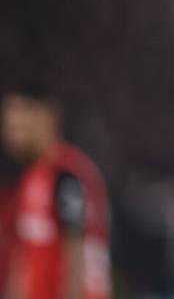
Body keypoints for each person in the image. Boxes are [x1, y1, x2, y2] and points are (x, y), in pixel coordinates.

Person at [1, 82, 111, 299]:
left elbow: (76, 257)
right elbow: (25, 259)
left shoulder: (68, 174)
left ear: (48, 117)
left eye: (21, 126)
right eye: (10, 127)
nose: (12, 135)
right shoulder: (32, 177)